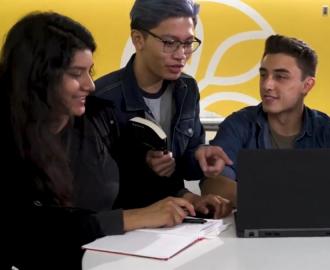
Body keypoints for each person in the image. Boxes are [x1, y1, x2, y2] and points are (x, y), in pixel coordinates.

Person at [1, 12, 209, 269]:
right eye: (76, 74)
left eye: (90, 71)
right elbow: (34, 230)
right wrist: (129, 219)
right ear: (38, 77)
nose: (89, 85)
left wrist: (187, 197)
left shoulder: (100, 118)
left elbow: (136, 182)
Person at [95, 0, 232, 218]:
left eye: (188, 43)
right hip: (121, 226)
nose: (181, 55)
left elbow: (185, 167)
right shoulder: (102, 97)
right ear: (138, 40)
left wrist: (199, 156)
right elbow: (93, 189)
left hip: (172, 222)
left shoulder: (187, 89)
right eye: (169, 43)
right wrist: (142, 166)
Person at [201, 34, 330, 205]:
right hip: (255, 227)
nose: (267, 85)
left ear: (307, 85)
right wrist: (281, 203)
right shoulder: (238, 125)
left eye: (280, 76)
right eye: (263, 75)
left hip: (316, 229)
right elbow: (214, 183)